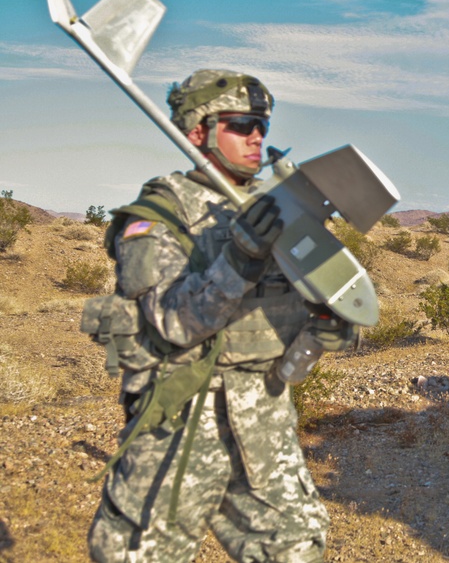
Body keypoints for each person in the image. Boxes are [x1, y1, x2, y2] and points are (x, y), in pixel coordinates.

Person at [88, 69, 350, 563]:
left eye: (262, 126)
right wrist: (240, 257)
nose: (257, 136)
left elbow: (295, 311)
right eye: (240, 123)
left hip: (262, 414)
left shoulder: (276, 211)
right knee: (141, 554)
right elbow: (173, 323)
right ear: (196, 133)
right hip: (181, 420)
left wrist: (325, 330)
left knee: (296, 548)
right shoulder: (157, 216)